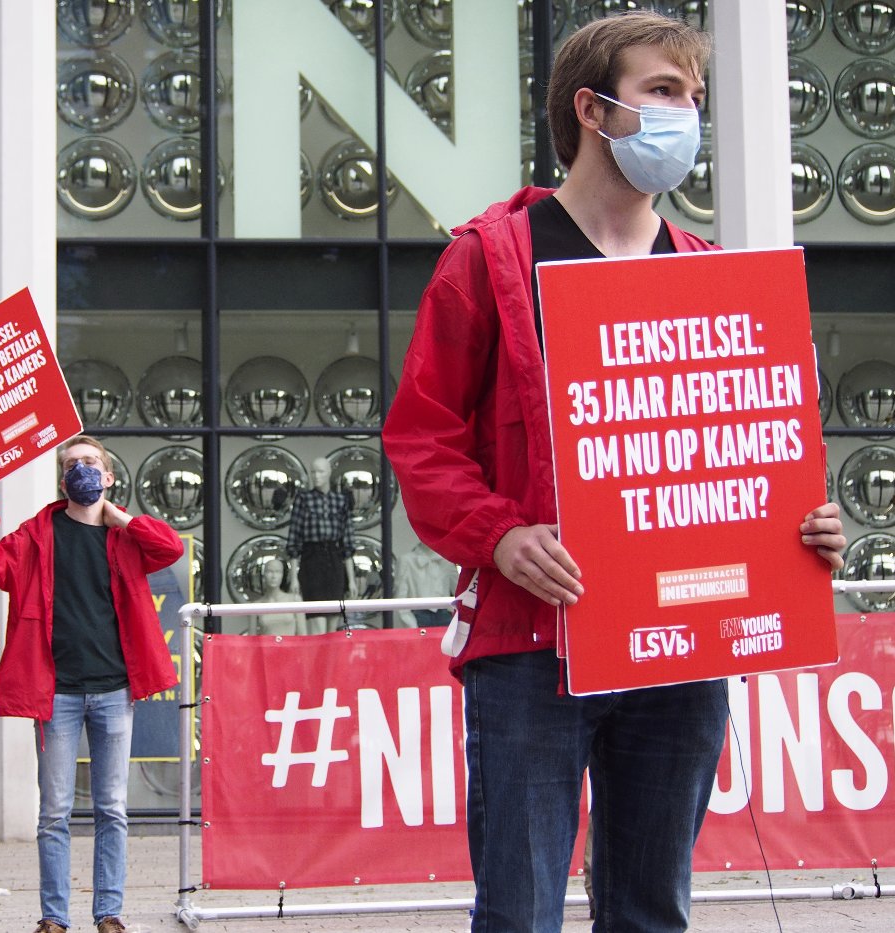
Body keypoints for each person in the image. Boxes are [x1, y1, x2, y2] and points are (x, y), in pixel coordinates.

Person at [381, 13, 848, 932]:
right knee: (518, 914)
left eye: (696, 99)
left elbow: (745, 454)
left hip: (680, 650)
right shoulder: (489, 261)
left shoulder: (714, 279)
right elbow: (423, 439)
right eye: (664, 93)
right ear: (592, 109)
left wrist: (804, 526)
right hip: (531, 650)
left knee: (650, 911)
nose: (688, 116)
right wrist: (500, 535)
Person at [0, 436, 182, 933]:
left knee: (112, 808)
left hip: (114, 690)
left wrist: (119, 517)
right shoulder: (38, 533)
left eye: (90, 463)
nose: (80, 470)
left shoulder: (126, 536)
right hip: (56, 692)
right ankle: (54, 918)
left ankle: (108, 913)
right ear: (62, 482)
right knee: (54, 813)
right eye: (71, 466)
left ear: (107, 476)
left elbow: (169, 548)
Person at [285, 456, 355, 634]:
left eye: (321, 471)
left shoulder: (340, 501)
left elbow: (347, 541)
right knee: (316, 620)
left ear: (329, 473)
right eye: (313, 472)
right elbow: (294, 538)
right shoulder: (304, 499)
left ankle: (330, 662)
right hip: (312, 560)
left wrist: (352, 580)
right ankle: (318, 660)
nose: (316, 476)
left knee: (333, 619)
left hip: (334, 560)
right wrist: (293, 577)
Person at [247, 557, 303, 636]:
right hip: (267, 647)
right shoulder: (256, 606)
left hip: (290, 647)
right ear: (264, 575)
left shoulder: (294, 600)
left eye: (278, 572)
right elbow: (251, 640)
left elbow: (303, 636)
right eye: (269, 571)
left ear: (282, 575)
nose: (274, 576)